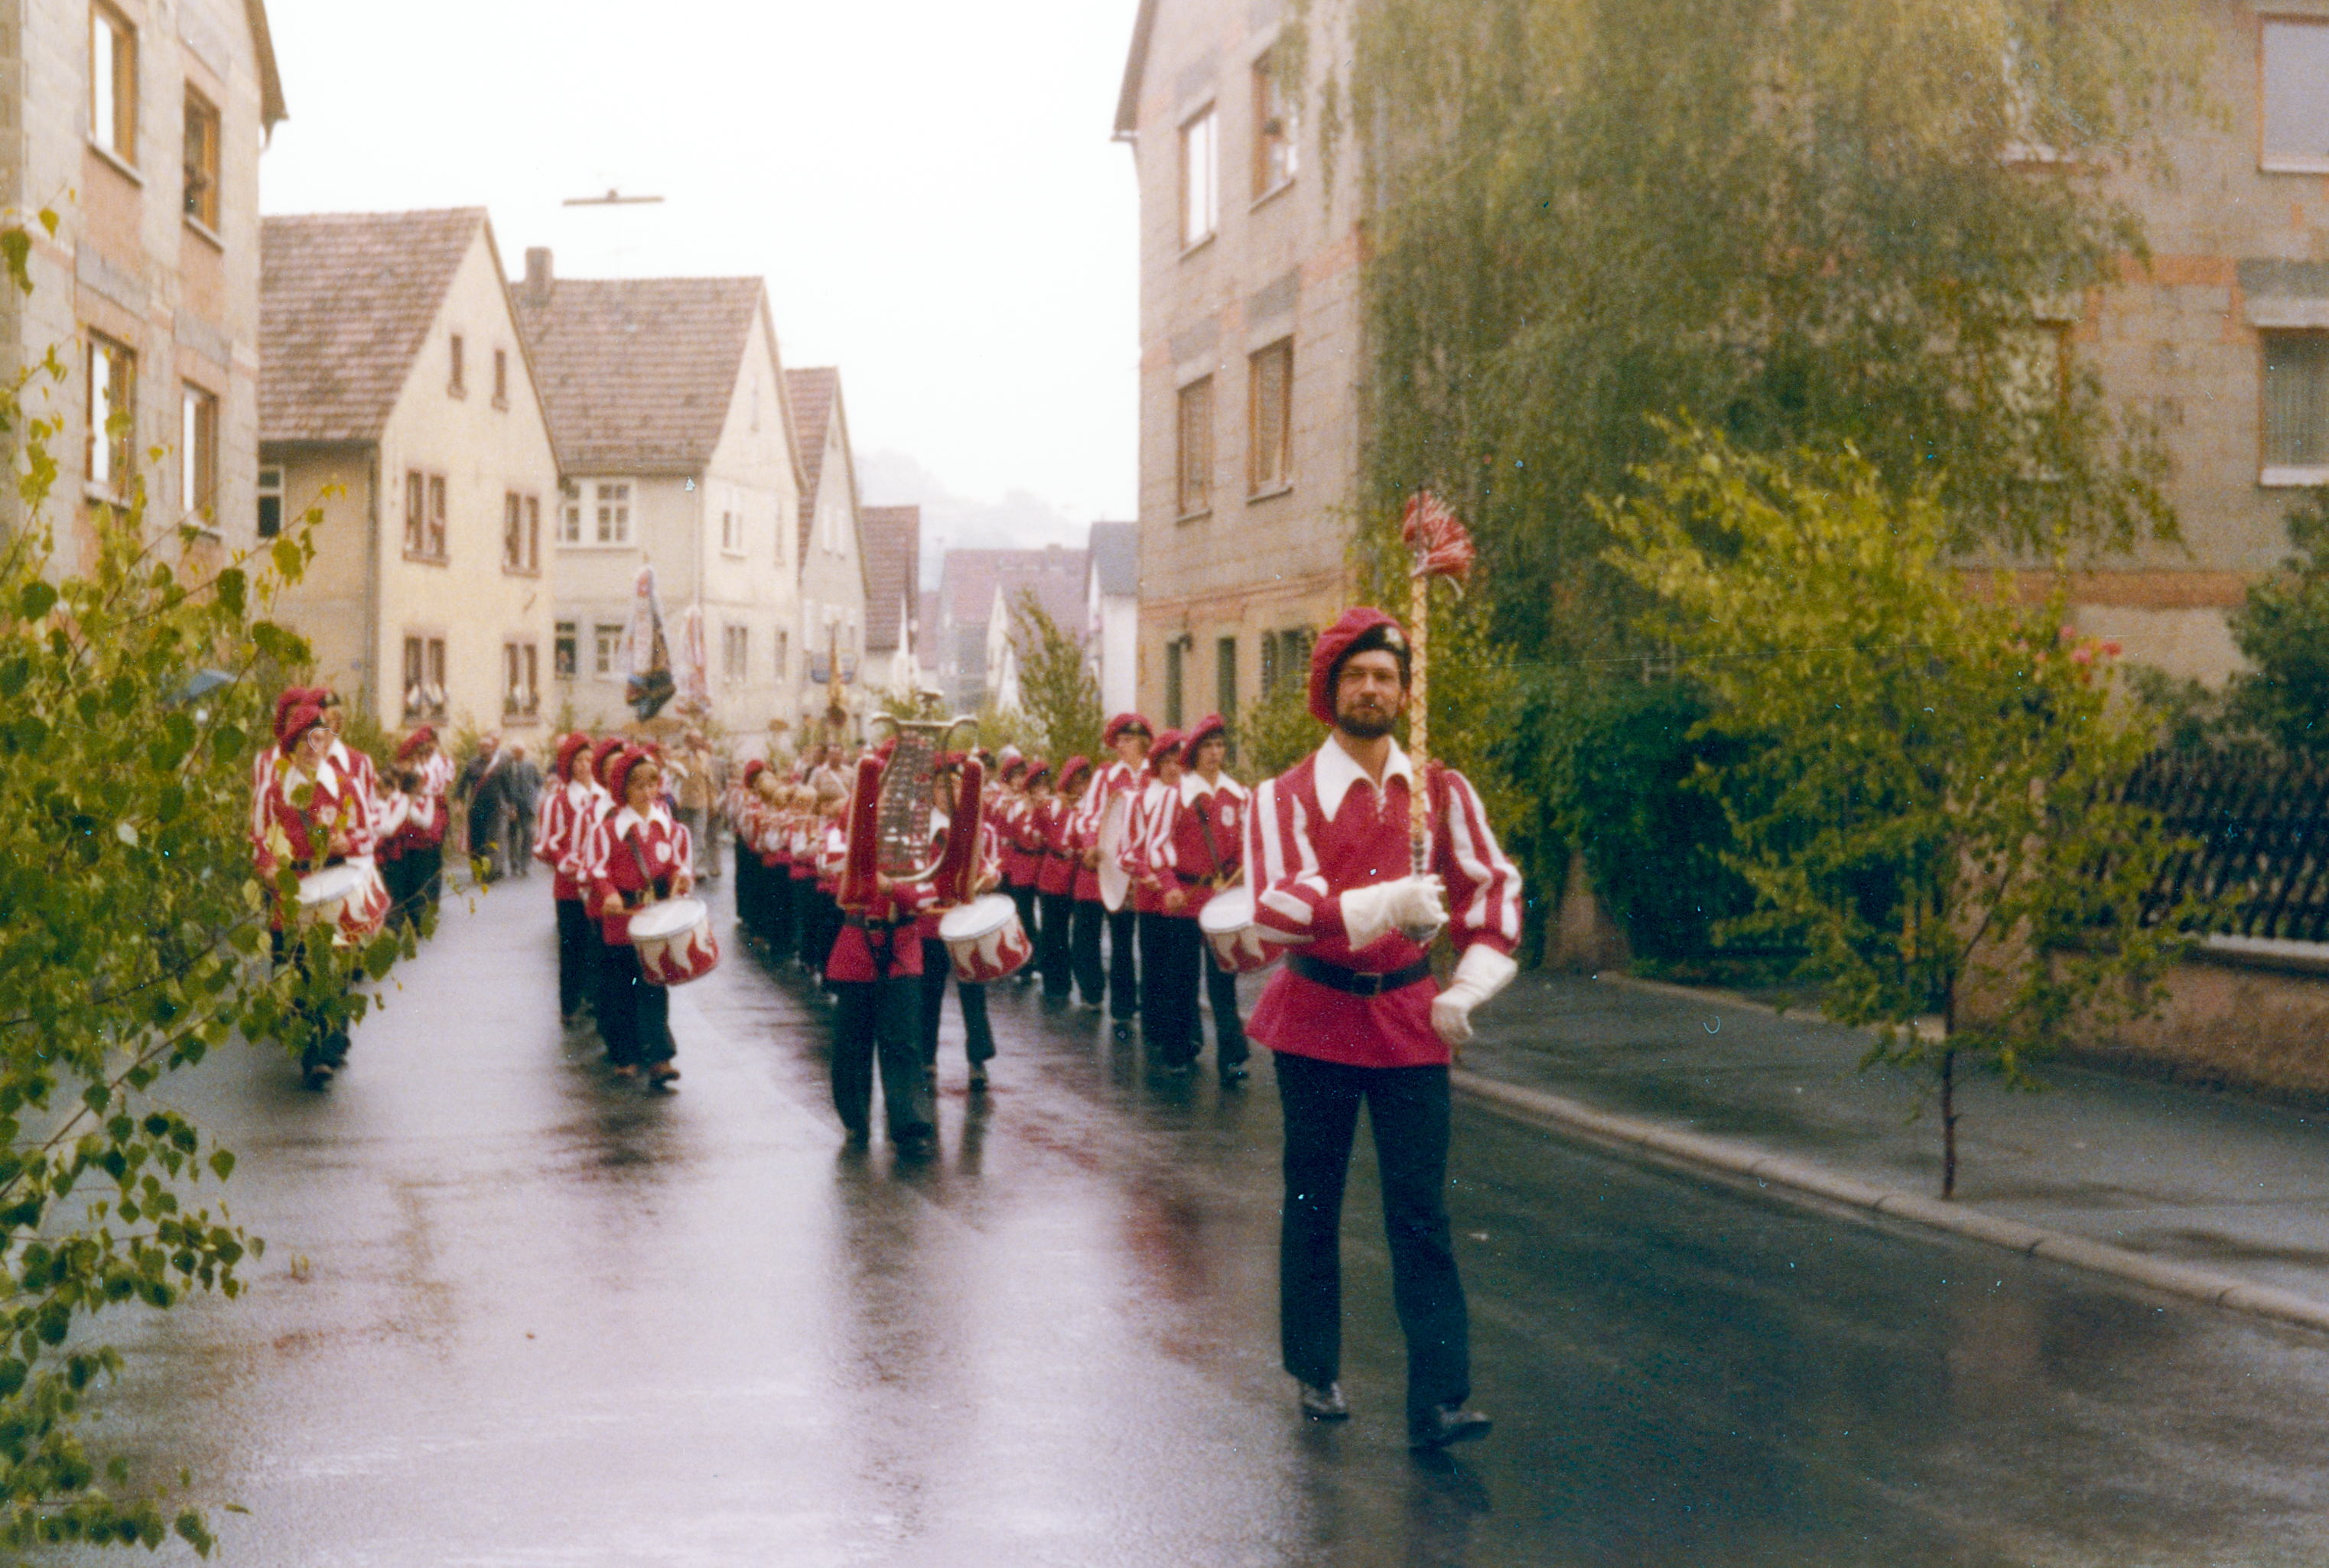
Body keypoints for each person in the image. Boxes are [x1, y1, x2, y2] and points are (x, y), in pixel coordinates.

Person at [1244, 607, 1522, 1451]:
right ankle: (1316, 1368)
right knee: (1312, 1200)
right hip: (1317, 1017)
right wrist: (1383, 905)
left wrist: (1468, 988)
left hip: (1409, 1018)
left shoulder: (1442, 790)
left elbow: (1495, 890)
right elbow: (1279, 911)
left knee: (1420, 1212)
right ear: (1330, 691)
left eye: (1387, 676)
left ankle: (1439, 1398)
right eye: (1357, 675)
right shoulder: (1282, 795)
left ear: (1406, 691)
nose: (1373, 689)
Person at [252, 702, 373, 1088]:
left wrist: (345, 841)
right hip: (294, 888)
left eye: (318, 739)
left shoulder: (344, 787)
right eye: (303, 740)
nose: (311, 747)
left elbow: (367, 835)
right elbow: (260, 842)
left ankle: (330, 1044)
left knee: (334, 968)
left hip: (334, 885)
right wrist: (270, 870)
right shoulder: (274, 793)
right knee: (301, 966)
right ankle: (311, 1056)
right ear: (291, 747)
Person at [825, 748, 938, 1149]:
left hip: (903, 943)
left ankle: (909, 1125)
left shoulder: (914, 836)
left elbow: (926, 893)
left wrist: (892, 886)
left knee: (904, 1040)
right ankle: (855, 1116)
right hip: (858, 942)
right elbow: (832, 863)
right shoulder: (848, 825)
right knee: (851, 1039)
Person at [582, 747, 694, 1091]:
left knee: (654, 988)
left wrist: (680, 878)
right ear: (623, 790)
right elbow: (595, 868)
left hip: (654, 920)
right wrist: (609, 892)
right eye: (638, 786)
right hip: (620, 921)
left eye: (652, 784)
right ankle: (624, 1055)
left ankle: (660, 1059)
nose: (647, 792)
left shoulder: (667, 827)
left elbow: (675, 863)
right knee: (619, 989)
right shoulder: (609, 829)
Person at [1169, 714, 1252, 1083]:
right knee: (1183, 977)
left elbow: (1248, 846)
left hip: (1222, 899)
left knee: (1223, 977)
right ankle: (1181, 1048)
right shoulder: (1178, 796)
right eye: (1208, 747)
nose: (1216, 754)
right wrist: (1168, 884)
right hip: (1189, 896)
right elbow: (1159, 846)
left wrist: (1244, 871)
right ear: (1195, 753)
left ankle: (1232, 1058)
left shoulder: (1238, 795)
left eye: (1220, 746)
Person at [916, 754, 1002, 1091]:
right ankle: (927, 1058)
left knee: (972, 989)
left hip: (965, 918)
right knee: (929, 991)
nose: (947, 791)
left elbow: (986, 866)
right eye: (940, 785)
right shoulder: (922, 827)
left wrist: (990, 877)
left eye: (953, 784)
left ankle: (978, 1058)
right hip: (932, 920)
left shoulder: (974, 825)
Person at [1124, 729, 1186, 1062]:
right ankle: (1152, 1027)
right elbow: (1127, 851)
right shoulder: (1141, 798)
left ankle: (1167, 1028)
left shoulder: (1184, 796)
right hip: (1150, 894)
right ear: (1158, 765)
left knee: (1174, 966)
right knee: (1153, 962)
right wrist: (1146, 875)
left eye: (1179, 761)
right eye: (1168, 761)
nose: (1174, 768)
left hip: (1176, 892)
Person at [1091, 714, 1152, 1039]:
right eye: (1120, 741)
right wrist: (1091, 847)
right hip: (1116, 867)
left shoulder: (1155, 773)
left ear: (1143, 742)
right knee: (1121, 939)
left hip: (1150, 866)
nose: (1124, 747)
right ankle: (1123, 1007)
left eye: (1130, 740)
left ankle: (1152, 1007)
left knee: (1152, 941)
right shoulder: (1107, 777)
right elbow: (1091, 817)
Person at [533, 733, 599, 1027]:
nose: (586, 766)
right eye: (580, 760)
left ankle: (596, 999)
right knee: (571, 945)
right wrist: (566, 861)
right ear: (569, 764)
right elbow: (546, 844)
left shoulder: (604, 797)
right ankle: (569, 1004)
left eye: (590, 759)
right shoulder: (557, 802)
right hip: (570, 887)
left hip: (598, 885)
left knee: (598, 945)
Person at [504, 743, 543, 880]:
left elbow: (539, 782)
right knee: (513, 836)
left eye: (521, 752)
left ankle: (525, 864)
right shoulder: (507, 767)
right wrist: (509, 805)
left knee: (528, 833)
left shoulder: (530, 766)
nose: (518, 754)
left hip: (527, 806)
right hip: (512, 805)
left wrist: (534, 795)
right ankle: (514, 865)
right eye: (516, 752)